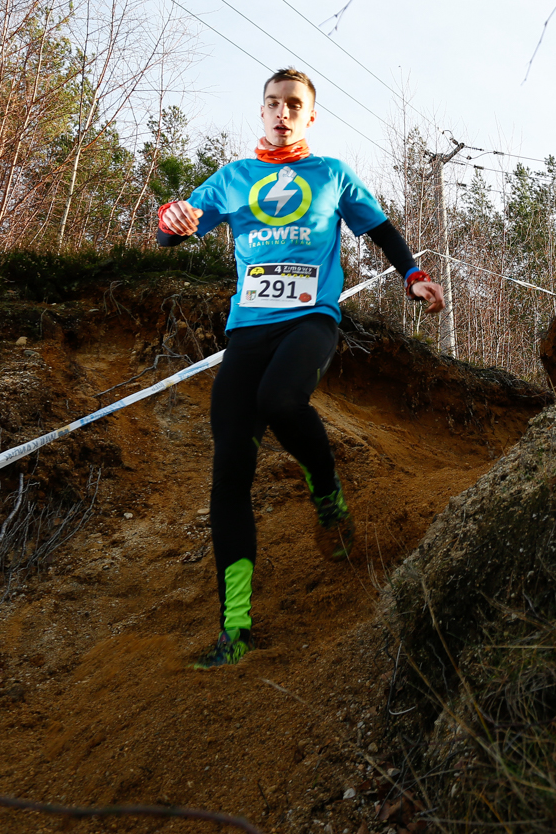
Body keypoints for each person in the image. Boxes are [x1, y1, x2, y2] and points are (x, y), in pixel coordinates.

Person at [156, 67, 445, 668]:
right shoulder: (234, 178)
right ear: (261, 112)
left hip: (310, 320)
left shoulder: (331, 174)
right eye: (272, 103)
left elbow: (381, 229)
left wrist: (414, 276)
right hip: (246, 333)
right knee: (229, 475)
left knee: (282, 401)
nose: (282, 112)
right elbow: (174, 230)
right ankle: (235, 629)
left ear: (310, 115)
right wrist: (171, 220)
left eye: (293, 104)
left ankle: (326, 490)